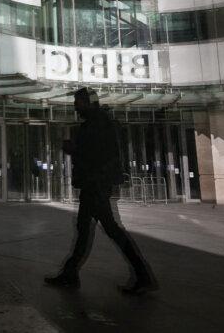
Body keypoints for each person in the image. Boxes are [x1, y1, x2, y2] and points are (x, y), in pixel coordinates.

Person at [44, 87, 157, 295]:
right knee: (85, 228)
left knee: (107, 229)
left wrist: (74, 150)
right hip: (94, 185)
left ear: (88, 103)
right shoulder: (99, 123)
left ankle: (142, 275)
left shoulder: (98, 125)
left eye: (78, 104)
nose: (76, 109)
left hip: (96, 185)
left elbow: (96, 156)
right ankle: (70, 273)